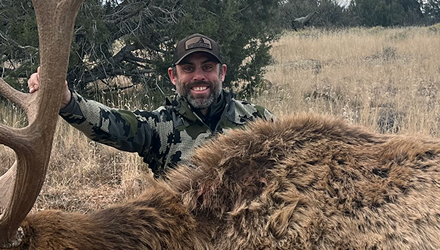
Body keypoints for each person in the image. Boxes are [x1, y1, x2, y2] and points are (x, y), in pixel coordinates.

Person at [28, 34, 274, 178]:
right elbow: (112, 123)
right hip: (189, 247)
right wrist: (67, 101)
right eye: (188, 69)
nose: (199, 76)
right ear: (173, 76)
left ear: (222, 73)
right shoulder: (160, 126)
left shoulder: (260, 120)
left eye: (207, 67)